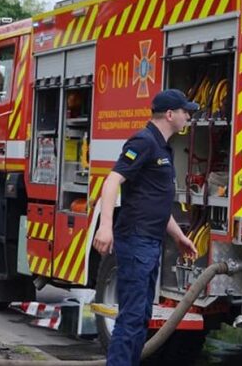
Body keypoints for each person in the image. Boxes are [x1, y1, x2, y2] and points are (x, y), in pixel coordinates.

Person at [93, 89, 199, 366]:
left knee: (140, 317)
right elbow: (112, 181)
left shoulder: (161, 146)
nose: (188, 116)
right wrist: (106, 227)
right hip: (136, 241)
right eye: (185, 111)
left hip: (151, 241)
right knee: (131, 317)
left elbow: (153, 202)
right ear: (169, 114)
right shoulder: (143, 142)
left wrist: (178, 237)